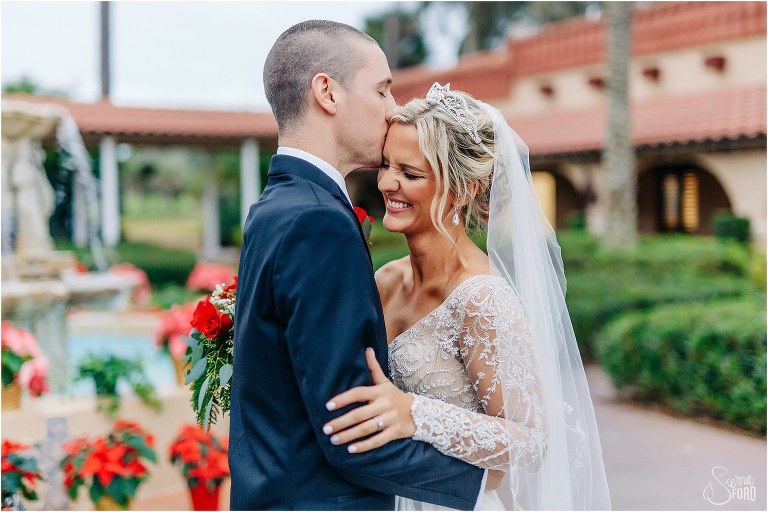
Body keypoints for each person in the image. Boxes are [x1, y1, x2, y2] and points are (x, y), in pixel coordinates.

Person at [229, 22, 486, 510]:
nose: (393, 109)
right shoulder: (317, 221)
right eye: (382, 89)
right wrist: (481, 483)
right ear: (327, 91)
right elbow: (350, 426)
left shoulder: (274, 206)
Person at [323, 83, 613, 510]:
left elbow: (533, 442)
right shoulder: (384, 280)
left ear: (462, 191)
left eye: (410, 173)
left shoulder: (481, 300)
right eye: (386, 165)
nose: (386, 182)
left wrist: (415, 415)